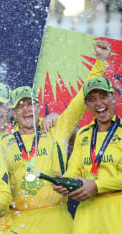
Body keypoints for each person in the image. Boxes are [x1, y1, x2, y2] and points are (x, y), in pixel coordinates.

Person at [0, 40, 110, 234]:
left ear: (39, 107)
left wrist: (100, 62)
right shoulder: (3, 142)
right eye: (20, 106)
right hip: (17, 222)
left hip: (57, 219)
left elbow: (79, 100)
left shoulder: (56, 130)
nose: (26, 109)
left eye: (30, 104)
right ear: (14, 113)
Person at [53, 76, 122, 233]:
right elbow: (74, 169)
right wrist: (65, 182)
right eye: (92, 99)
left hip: (117, 210)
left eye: (103, 96)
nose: (98, 103)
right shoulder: (83, 134)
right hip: (87, 213)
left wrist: (97, 186)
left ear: (113, 96)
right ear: (86, 104)